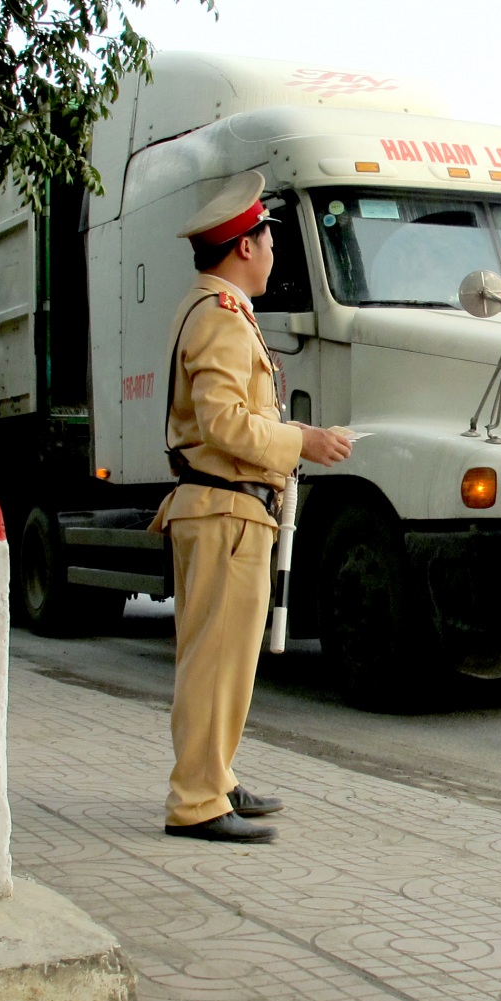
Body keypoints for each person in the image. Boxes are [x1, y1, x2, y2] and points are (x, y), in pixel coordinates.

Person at [153, 171, 353, 843]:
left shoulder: (218, 311)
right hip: (223, 512)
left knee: (224, 658)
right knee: (214, 659)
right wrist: (304, 439)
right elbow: (225, 426)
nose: (273, 246)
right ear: (244, 246)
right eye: (267, 235)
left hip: (226, 510)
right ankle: (196, 799)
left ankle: (216, 776)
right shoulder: (220, 318)